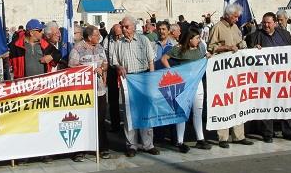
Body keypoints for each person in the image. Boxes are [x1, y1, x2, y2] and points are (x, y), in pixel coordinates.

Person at [109, 16, 158, 157]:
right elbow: (114, 60)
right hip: (128, 79)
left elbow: (151, 60)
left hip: (143, 77)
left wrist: (152, 78)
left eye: (126, 27)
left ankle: (148, 144)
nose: (124, 29)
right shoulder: (118, 43)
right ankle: (132, 145)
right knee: (129, 113)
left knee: (145, 112)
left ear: (133, 27)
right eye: (122, 27)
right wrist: (119, 67)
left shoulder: (143, 40)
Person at [245, 12, 291, 142]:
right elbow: (247, 56)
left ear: (275, 23)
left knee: (285, 104)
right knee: (267, 105)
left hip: (283, 77)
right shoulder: (254, 37)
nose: (266, 25)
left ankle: (287, 131)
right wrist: (254, 50)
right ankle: (268, 133)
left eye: (268, 23)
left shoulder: (284, 35)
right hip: (265, 78)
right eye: (264, 23)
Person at [207, 4, 254, 147]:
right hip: (222, 73)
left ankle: (239, 135)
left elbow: (239, 42)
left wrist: (243, 45)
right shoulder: (217, 28)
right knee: (224, 102)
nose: (237, 18)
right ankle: (223, 137)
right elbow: (211, 47)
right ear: (228, 15)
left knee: (238, 101)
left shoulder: (235, 27)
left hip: (236, 72)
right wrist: (227, 48)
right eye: (235, 16)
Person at [161, 26, 210, 152]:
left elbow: (205, 56)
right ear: (189, 39)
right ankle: (180, 141)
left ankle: (200, 139)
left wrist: (208, 55)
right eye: (197, 38)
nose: (199, 40)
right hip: (184, 85)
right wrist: (172, 72)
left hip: (197, 83)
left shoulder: (200, 47)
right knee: (182, 112)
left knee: (198, 111)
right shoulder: (178, 49)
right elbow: (164, 59)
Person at [68, 25, 112, 160]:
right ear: (89, 37)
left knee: (100, 120)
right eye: (96, 35)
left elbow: (105, 63)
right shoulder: (77, 49)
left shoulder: (99, 47)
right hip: (84, 92)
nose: (99, 37)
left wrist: (102, 68)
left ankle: (103, 148)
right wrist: (88, 69)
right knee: (83, 120)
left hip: (99, 90)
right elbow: (71, 66)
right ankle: (79, 151)